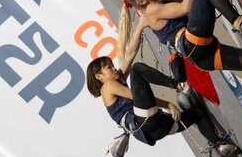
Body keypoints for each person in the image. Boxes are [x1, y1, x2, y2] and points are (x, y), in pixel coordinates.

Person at [86, 56, 220, 146]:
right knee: (137, 68)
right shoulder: (107, 87)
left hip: (156, 131)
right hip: (144, 122)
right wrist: (168, 104)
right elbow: (136, 96)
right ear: (99, 76)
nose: (114, 68)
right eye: (109, 67)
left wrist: (141, 26)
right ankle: (177, 84)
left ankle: (220, 144)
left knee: (197, 115)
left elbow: (130, 53)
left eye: (112, 65)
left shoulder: (117, 81)